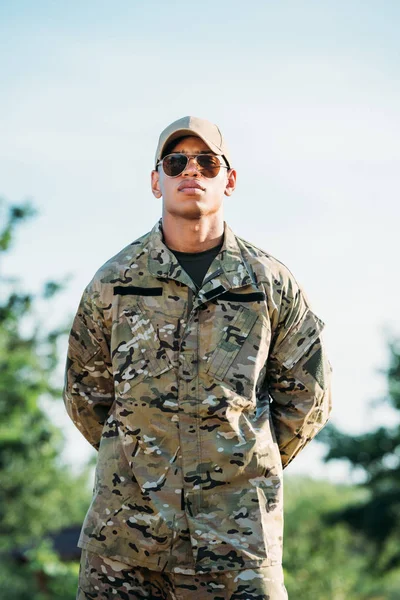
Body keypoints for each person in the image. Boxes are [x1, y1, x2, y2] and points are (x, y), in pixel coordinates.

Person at [63, 115, 332, 599]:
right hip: (126, 542)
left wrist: (242, 459)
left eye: (207, 162)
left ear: (228, 180)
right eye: (176, 161)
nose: (191, 171)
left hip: (238, 544)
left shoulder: (268, 284)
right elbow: (86, 396)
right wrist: (146, 458)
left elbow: (308, 398)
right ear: (156, 180)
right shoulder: (113, 283)